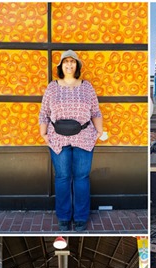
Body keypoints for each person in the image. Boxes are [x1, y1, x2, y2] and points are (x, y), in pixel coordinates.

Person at [39, 50, 104, 232]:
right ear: (61, 66)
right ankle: (64, 217)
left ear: (77, 65)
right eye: (65, 62)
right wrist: (44, 134)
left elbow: (95, 111)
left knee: (81, 177)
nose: (69, 65)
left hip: (84, 136)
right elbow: (44, 112)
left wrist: (99, 131)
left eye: (72, 62)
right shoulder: (52, 87)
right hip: (57, 137)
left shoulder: (87, 87)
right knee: (62, 177)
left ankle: (81, 217)